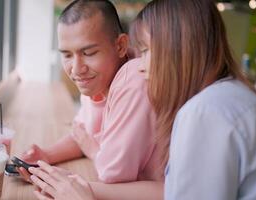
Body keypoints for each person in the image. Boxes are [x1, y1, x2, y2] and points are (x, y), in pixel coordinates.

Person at [28, 0, 256, 199]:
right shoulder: (233, 97)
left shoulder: (204, 113)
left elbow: (113, 171)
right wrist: (79, 187)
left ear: (177, 48)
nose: (140, 66)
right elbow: (170, 191)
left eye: (145, 51)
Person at [18, 0, 165, 188]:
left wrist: (92, 149)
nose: (77, 69)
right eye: (67, 55)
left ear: (120, 46)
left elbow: (113, 172)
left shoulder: (135, 79)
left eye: (89, 53)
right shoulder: (97, 79)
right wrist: (46, 155)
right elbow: (82, 133)